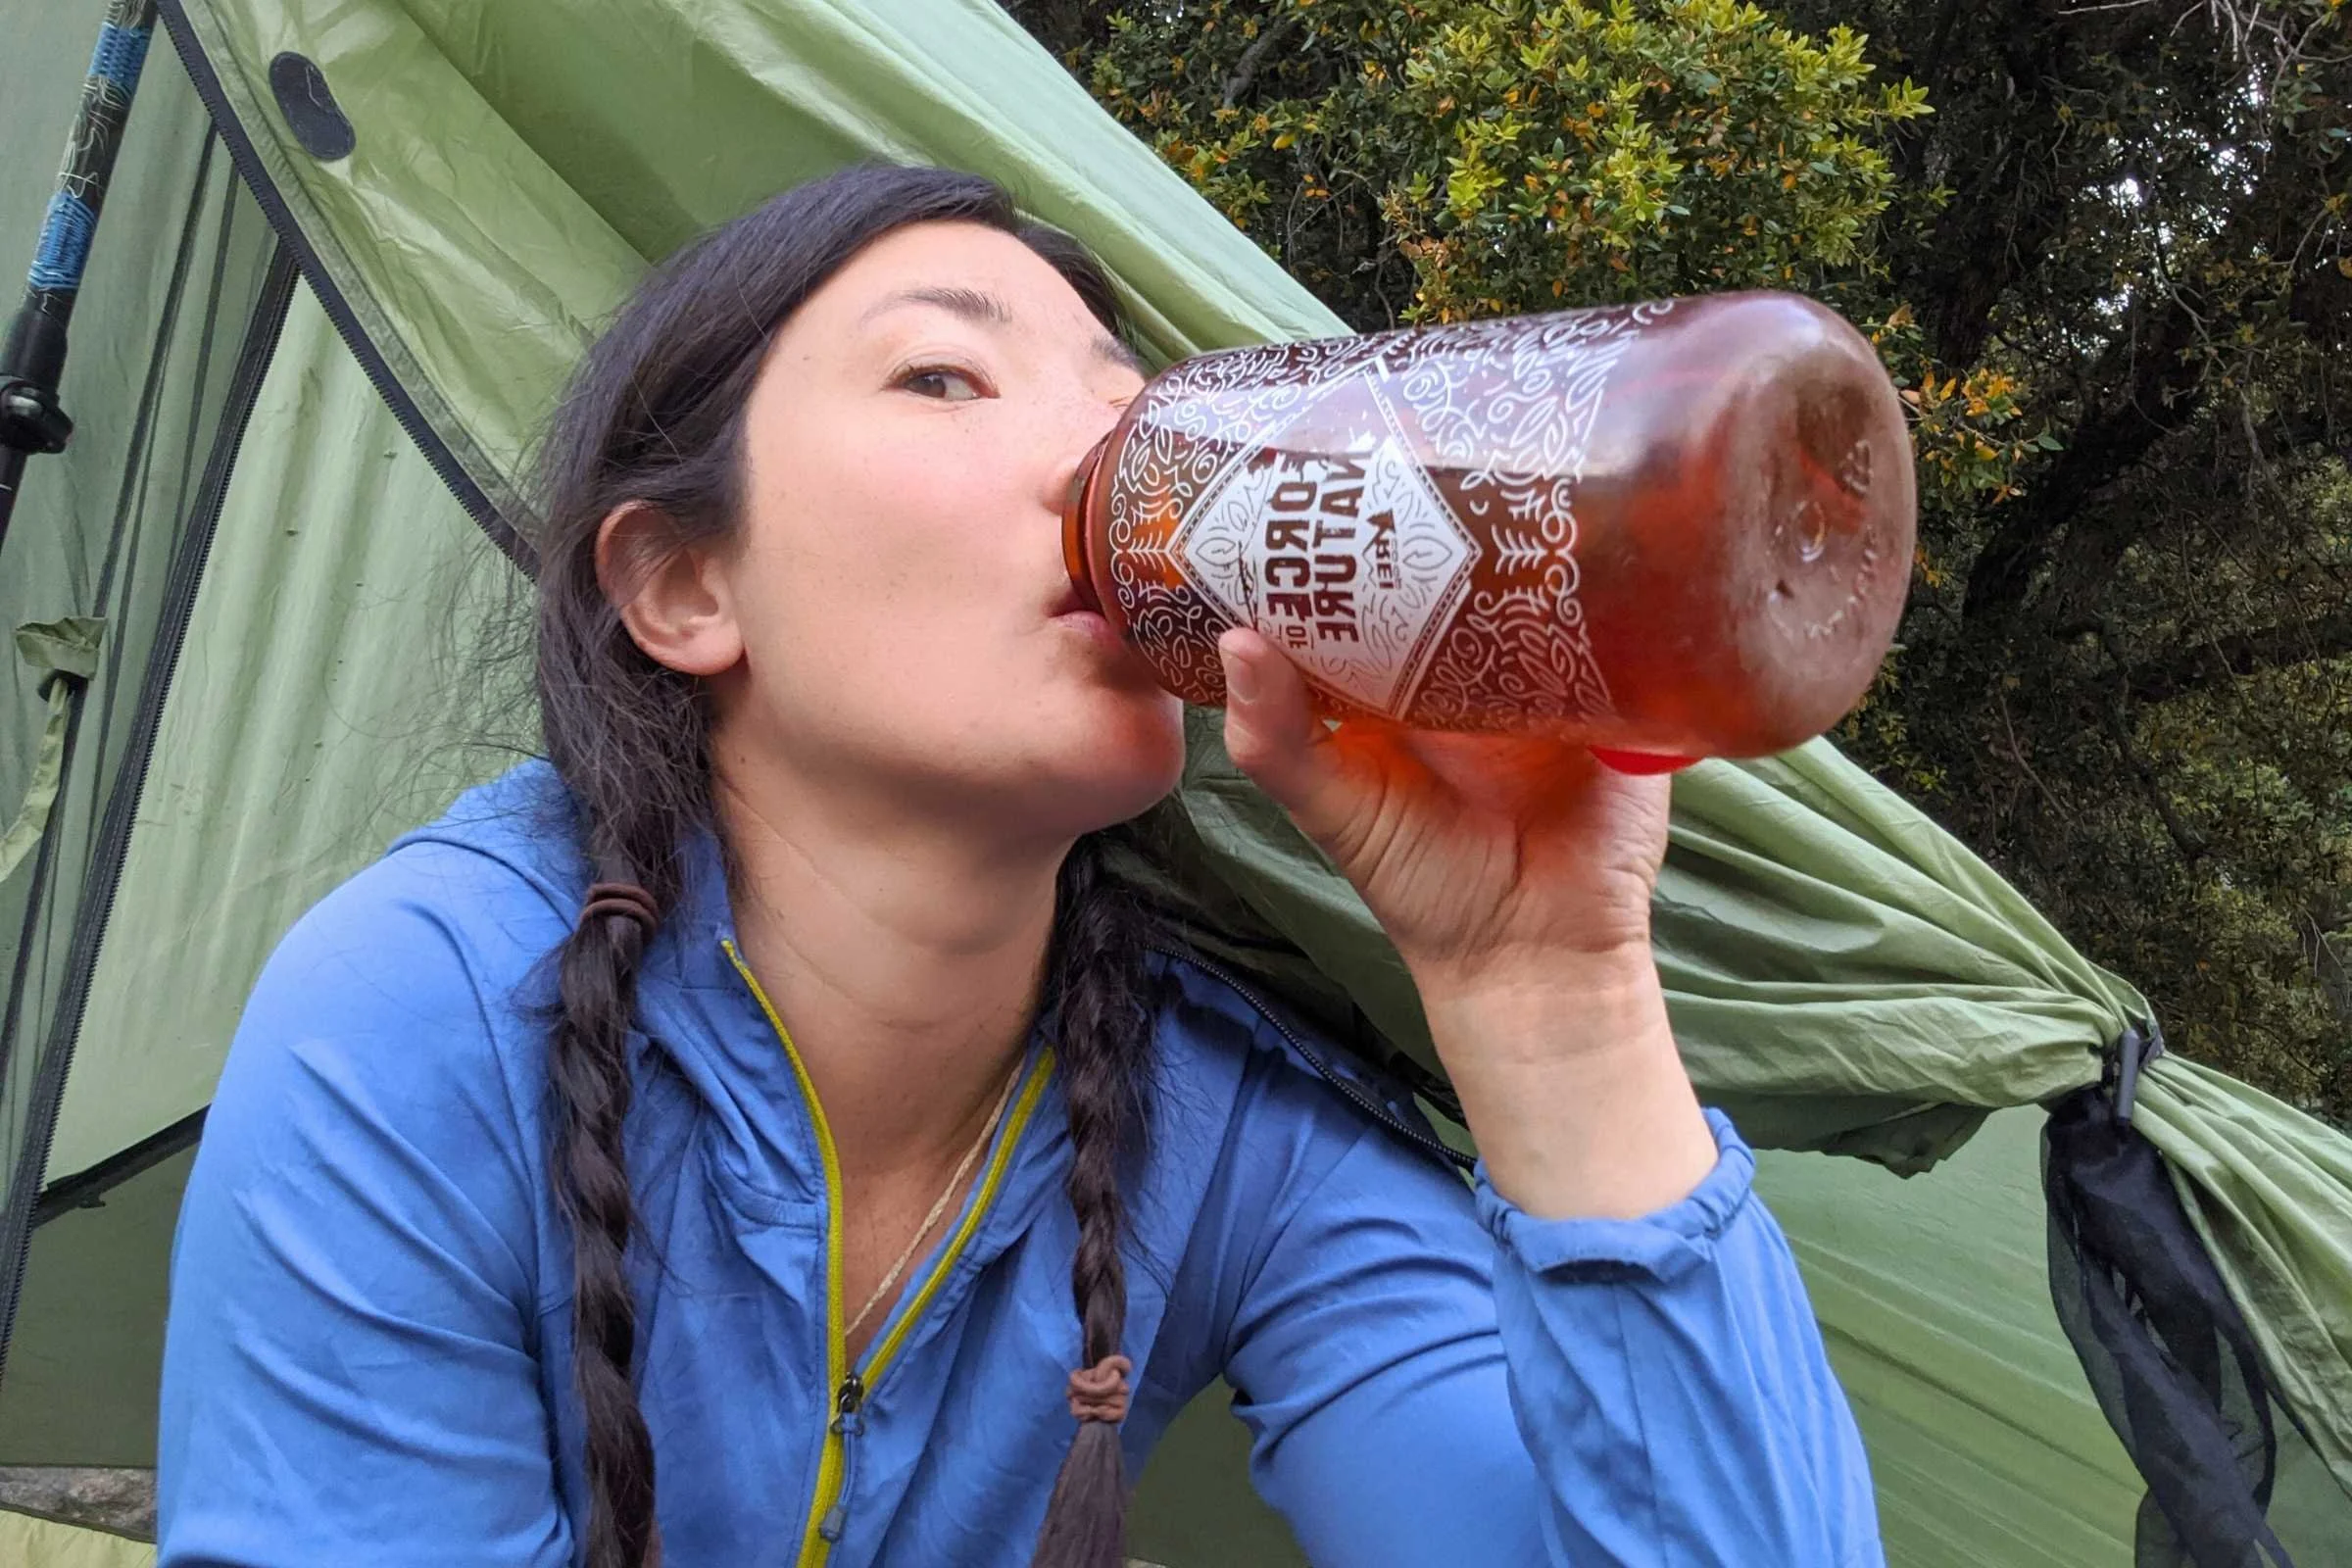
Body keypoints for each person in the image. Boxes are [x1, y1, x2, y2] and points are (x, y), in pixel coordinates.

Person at [155, 165, 1882, 1568]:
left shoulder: (1223, 1127)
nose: (1099, 468)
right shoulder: (428, 1011)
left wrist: (1553, 999)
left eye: (1137, 418)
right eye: (945, 376)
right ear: (685, 587)